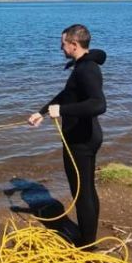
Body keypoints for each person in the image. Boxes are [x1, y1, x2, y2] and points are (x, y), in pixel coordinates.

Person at [28, 24, 106, 248]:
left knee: (82, 193)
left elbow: (99, 104)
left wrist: (62, 111)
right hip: (85, 136)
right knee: (87, 189)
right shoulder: (83, 64)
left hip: (81, 140)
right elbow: (67, 94)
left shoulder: (86, 69)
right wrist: (42, 112)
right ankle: (88, 237)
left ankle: (87, 244)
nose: (60, 47)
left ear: (74, 45)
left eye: (63, 43)